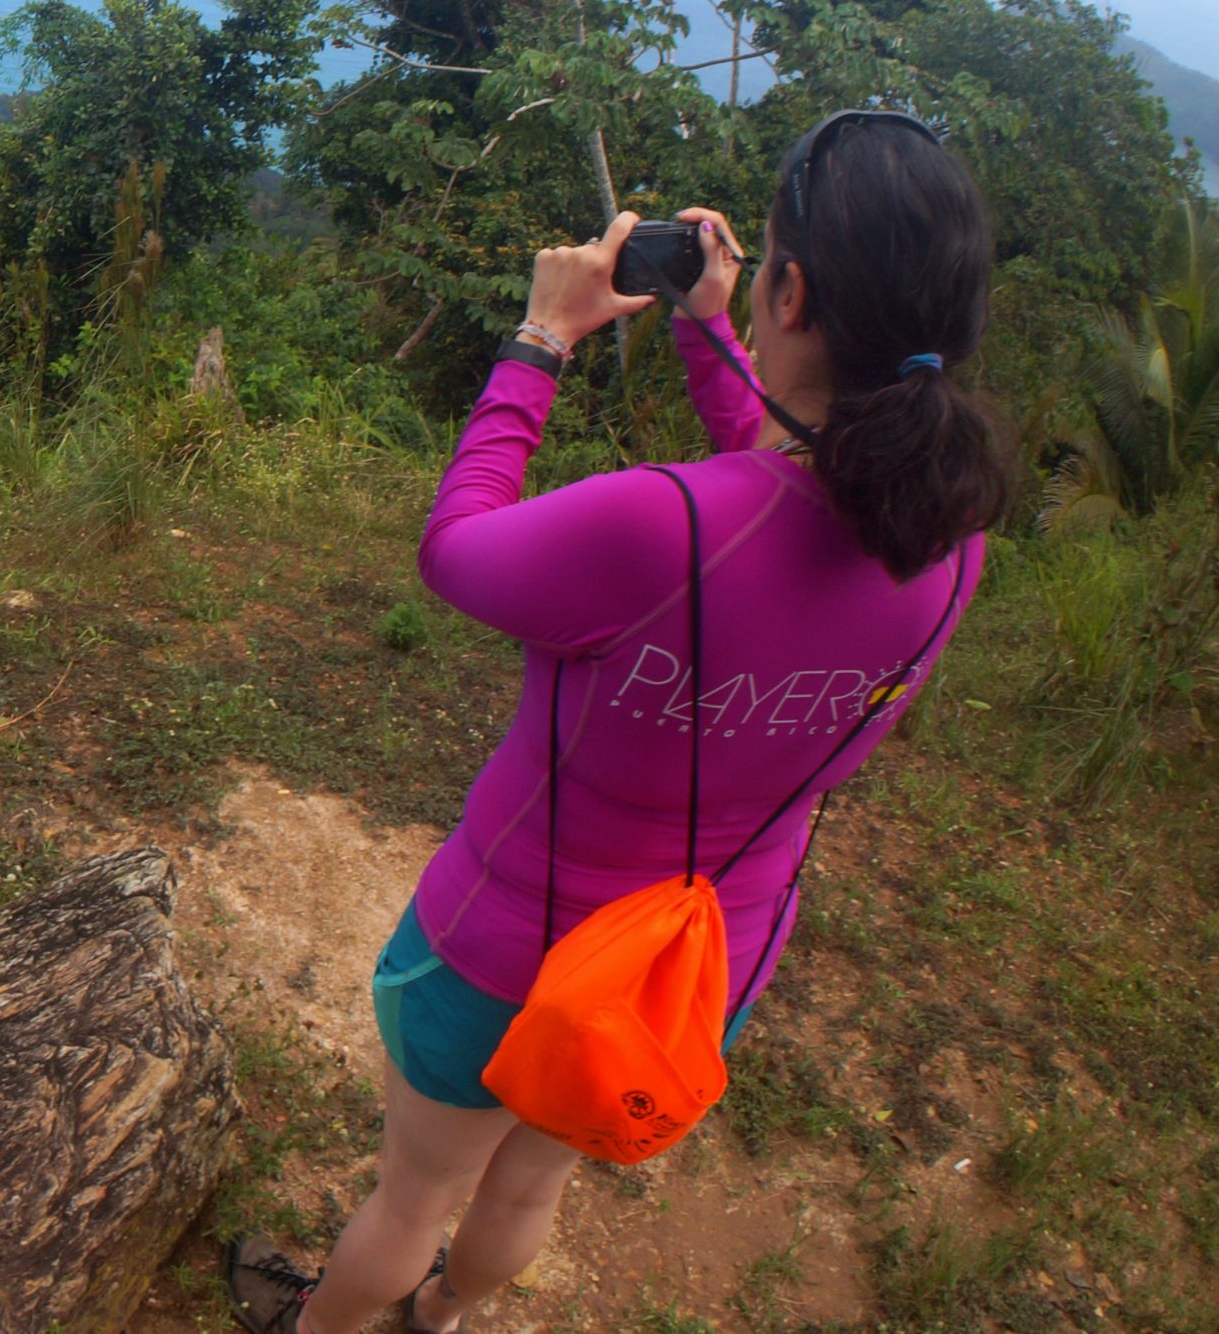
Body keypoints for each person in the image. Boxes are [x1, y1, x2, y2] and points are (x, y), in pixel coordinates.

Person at [225, 112, 1009, 1334]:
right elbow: (781, 488)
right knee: (529, 1177)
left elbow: (457, 550)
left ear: (790, 290)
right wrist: (711, 336)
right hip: (690, 972)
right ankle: (436, 1325)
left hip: (506, 948)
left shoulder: (660, 527)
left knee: (414, 1192)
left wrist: (539, 340)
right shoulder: (945, 549)